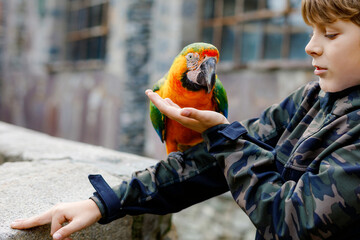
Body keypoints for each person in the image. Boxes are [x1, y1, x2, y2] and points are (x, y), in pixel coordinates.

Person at [11, 0, 360, 239]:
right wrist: (103, 201)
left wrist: (222, 134)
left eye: (330, 33)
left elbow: (294, 223)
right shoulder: (311, 98)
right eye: (312, 32)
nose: (310, 46)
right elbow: (216, 161)